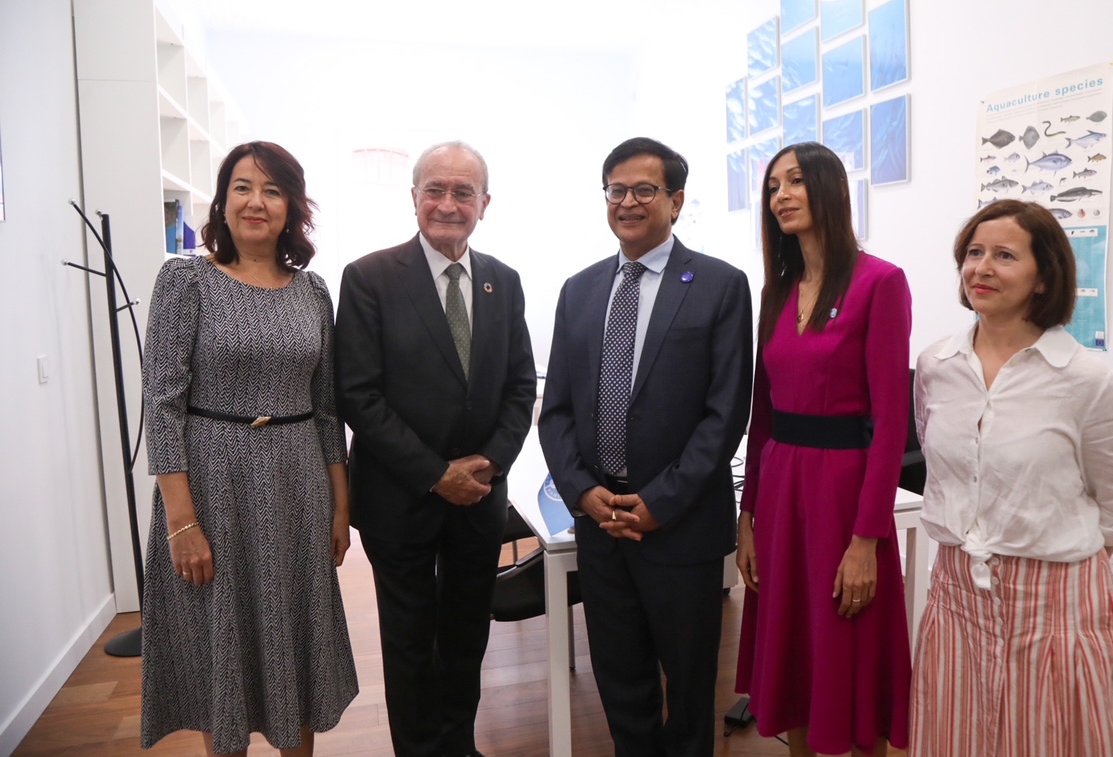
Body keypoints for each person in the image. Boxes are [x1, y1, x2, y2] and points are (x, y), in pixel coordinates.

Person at [140, 141, 357, 756]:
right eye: (242, 187)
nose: (255, 202)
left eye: (271, 189)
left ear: (291, 206)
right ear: (222, 200)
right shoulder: (186, 280)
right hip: (211, 486)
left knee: (297, 637)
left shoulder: (313, 291)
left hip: (297, 486)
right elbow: (161, 404)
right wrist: (182, 521)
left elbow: (327, 409)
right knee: (221, 642)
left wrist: (341, 505)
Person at [539, 137, 753, 757]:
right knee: (620, 676)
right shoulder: (578, 290)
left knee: (688, 685)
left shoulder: (719, 285)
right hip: (601, 520)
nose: (627, 202)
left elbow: (725, 413)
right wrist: (583, 491)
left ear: (676, 201)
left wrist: (660, 501)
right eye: (616, 190)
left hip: (679, 525)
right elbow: (557, 411)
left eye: (644, 190)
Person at [910, 198, 1113, 755]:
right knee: (958, 734)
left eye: (1005, 255)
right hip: (958, 591)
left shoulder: (1088, 381)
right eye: (973, 253)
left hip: (1055, 603)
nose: (981, 268)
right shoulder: (937, 366)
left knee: (1047, 738)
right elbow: (943, 466)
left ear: (1043, 277)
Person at [334, 140, 536, 757]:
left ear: (485, 203)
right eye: (436, 190)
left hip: (478, 499)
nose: (448, 205)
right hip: (400, 501)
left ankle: (459, 743)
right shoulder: (369, 277)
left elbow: (521, 385)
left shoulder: (504, 280)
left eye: (463, 192)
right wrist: (434, 474)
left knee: (467, 633)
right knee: (409, 639)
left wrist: (492, 462)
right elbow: (358, 397)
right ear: (415, 197)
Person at [735, 142, 912, 757]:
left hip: (844, 494)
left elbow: (892, 422)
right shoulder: (776, 291)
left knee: (849, 642)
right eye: (772, 186)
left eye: (794, 182)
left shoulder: (880, 282)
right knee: (794, 649)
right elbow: (763, 415)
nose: (780, 195)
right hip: (783, 488)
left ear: (829, 189)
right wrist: (748, 517)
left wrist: (868, 538)